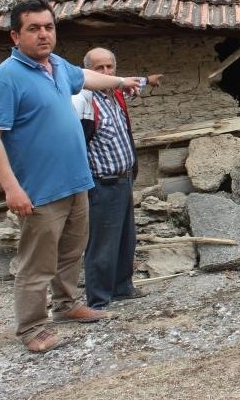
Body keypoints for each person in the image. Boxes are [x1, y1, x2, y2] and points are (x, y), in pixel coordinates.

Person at [0, 0, 143, 353]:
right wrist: (11, 188)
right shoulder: (5, 78)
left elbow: (85, 76)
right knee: (37, 263)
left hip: (77, 183)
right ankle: (32, 328)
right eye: (33, 28)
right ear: (15, 35)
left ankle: (66, 306)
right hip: (40, 190)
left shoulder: (56, 65)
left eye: (49, 27)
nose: (43, 35)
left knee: (71, 252)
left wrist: (120, 79)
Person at [72, 48, 162, 310]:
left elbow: (130, 82)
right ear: (87, 72)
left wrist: (148, 80)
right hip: (102, 184)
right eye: (99, 69)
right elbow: (77, 145)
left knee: (125, 239)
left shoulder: (114, 95)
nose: (106, 73)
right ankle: (98, 299)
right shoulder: (84, 101)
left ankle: (122, 287)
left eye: (110, 67)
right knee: (102, 243)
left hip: (123, 181)